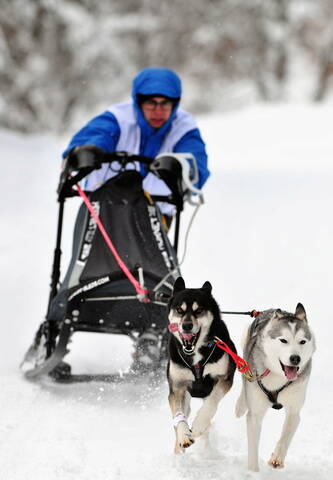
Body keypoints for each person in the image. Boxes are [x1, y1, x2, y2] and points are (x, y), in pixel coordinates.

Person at [64, 67, 210, 221]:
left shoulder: (184, 129)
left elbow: (195, 161)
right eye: (151, 103)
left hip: (156, 217)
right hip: (102, 212)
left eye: (165, 104)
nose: (158, 111)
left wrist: (180, 167)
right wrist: (89, 151)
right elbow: (98, 134)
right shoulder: (118, 119)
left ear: (175, 105)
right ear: (138, 102)